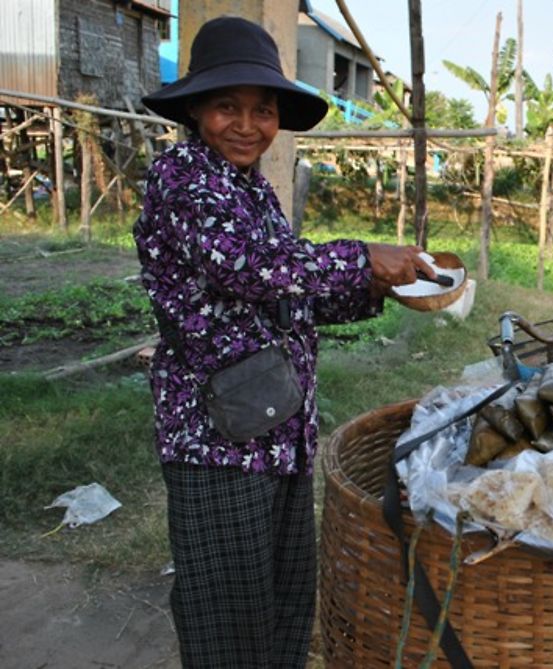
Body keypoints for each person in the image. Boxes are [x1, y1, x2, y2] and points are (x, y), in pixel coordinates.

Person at [135, 16, 434, 668]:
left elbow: (284, 288)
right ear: (194, 109)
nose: (247, 124)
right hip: (217, 440)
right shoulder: (182, 177)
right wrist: (362, 259)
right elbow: (247, 264)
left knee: (284, 604)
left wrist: (382, 285)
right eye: (227, 107)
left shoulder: (251, 187)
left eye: (263, 110)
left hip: (277, 429)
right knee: (230, 617)